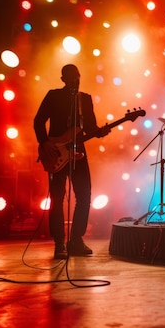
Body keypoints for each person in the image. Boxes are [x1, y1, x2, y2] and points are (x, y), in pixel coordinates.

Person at [33, 64, 110, 259]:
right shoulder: (53, 95)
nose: (74, 79)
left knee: (84, 195)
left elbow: (91, 127)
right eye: (69, 77)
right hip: (56, 153)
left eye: (76, 75)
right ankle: (59, 242)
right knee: (57, 198)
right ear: (63, 79)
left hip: (79, 153)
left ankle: (76, 240)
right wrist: (45, 143)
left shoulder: (85, 99)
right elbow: (38, 121)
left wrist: (100, 132)